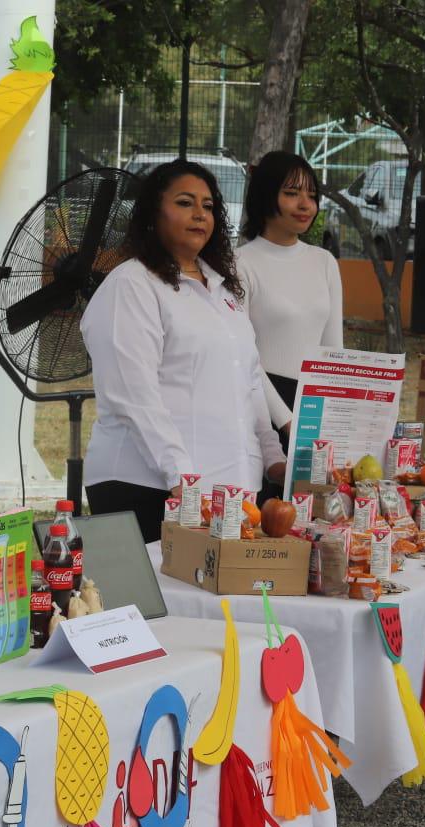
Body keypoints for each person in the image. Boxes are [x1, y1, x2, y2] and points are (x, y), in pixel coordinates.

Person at [81, 159, 286, 543]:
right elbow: (133, 394)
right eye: (184, 203)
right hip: (149, 485)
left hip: (230, 491)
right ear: (153, 213)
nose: (199, 215)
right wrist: (180, 477)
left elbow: (251, 381)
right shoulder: (132, 284)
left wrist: (273, 458)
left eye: (208, 207)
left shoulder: (224, 291)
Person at [236, 150, 344, 443]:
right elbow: (243, 355)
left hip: (314, 407)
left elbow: (334, 353)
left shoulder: (324, 262)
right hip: (259, 408)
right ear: (265, 196)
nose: (305, 205)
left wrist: (334, 414)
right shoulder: (239, 263)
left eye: (311, 194)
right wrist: (286, 422)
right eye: (292, 193)